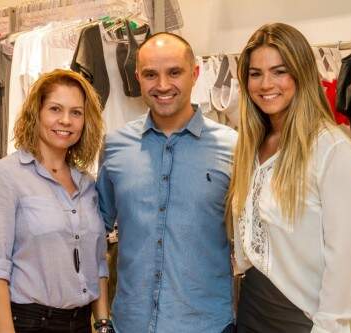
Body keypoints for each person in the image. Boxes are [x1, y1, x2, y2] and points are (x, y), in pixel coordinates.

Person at [96, 32, 237, 333]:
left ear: (195, 73)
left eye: (174, 72)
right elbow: (94, 233)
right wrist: (101, 315)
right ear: (137, 77)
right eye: (150, 74)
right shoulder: (114, 146)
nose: (162, 86)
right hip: (130, 323)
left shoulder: (234, 148)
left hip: (206, 324)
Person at [227, 23, 351, 333]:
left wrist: (329, 327)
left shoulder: (331, 149)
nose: (266, 84)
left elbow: (341, 260)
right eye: (256, 73)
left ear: (300, 73)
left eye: (279, 71)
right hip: (251, 307)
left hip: (302, 319)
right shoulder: (250, 144)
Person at [0, 69, 114, 333]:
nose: (66, 120)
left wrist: (103, 322)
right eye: (55, 109)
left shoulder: (87, 184)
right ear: (36, 113)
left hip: (81, 323)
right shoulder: (5, 176)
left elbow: (97, 262)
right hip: (27, 323)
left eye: (76, 112)